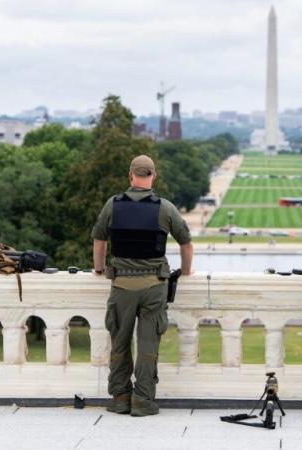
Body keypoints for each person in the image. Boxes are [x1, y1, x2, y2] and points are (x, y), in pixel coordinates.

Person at [92, 155, 193, 417]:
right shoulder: (165, 208)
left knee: (120, 342)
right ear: (153, 176)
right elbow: (186, 243)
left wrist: (99, 269)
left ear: (130, 176)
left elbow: (100, 241)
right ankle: (143, 400)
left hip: (122, 285)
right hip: (154, 287)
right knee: (148, 345)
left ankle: (120, 397)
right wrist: (188, 271)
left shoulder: (112, 205)